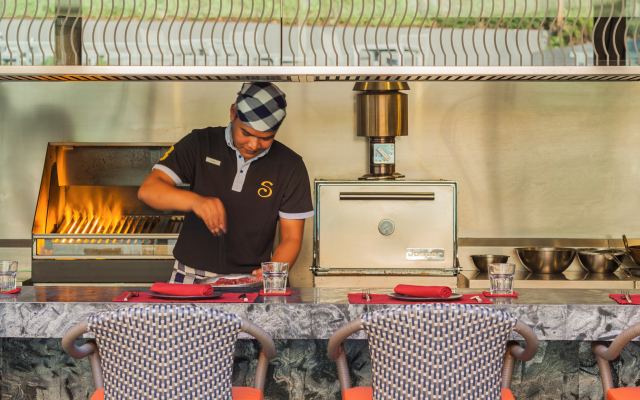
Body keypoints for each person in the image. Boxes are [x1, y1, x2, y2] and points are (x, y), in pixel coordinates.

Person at [138, 82, 314, 284]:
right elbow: (149, 190)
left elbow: (291, 237)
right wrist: (196, 202)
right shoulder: (200, 142)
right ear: (233, 112)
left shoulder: (290, 165)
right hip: (190, 275)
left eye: (266, 138)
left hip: (252, 278)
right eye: (246, 133)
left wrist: (272, 275)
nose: (254, 145)